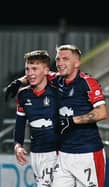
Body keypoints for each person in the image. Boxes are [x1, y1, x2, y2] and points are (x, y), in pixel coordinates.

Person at [5, 44, 108, 187]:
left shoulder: (87, 82)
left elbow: (102, 112)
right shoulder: (56, 79)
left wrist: (72, 120)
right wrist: (19, 82)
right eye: (58, 59)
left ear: (77, 62)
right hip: (64, 154)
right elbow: (37, 72)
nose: (60, 63)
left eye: (65, 59)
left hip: (88, 152)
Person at [13, 50, 59, 186]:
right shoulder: (23, 95)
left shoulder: (58, 92)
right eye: (27, 69)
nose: (30, 73)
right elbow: (20, 124)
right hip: (36, 153)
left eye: (34, 69)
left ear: (46, 71)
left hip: (57, 153)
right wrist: (18, 146)